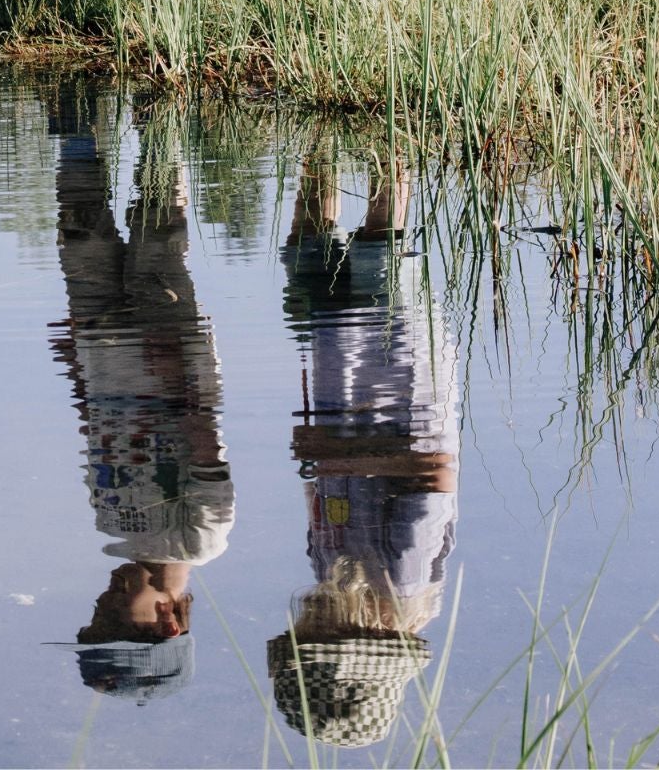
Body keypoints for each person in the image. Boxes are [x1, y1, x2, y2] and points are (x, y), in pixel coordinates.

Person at [267, 144, 461, 750]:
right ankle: (387, 123)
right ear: (375, 635)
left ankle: (318, 136)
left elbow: (324, 499)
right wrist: (336, 459)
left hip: (337, 389)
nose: (308, 621)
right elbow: (435, 470)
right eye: (319, 637)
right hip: (399, 380)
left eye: (303, 637)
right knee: (380, 246)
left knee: (307, 252)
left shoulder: (334, 579)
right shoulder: (402, 577)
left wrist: (319, 465)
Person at [48, 103, 235, 706]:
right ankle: (159, 120)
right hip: (164, 359)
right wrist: (179, 364)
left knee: (80, 235)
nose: (99, 603)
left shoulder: (111, 528)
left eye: (93, 619)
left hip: (102, 357)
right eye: (109, 619)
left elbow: (97, 439)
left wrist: (79, 374)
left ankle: (75, 125)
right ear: (165, 622)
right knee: (158, 238)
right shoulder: (200, 539)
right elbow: (204, 434)